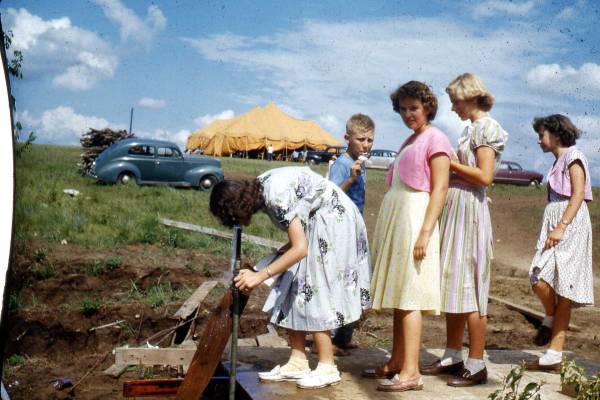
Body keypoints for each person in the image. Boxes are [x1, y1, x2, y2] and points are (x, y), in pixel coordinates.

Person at [209, 167, 371, 390]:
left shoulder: (274, 195)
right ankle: (298, 361)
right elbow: (297, 238)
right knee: (292, 282)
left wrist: (259, 276)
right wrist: (266, 265)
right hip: (317, 221)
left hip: (335, 218)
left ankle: (327, 366)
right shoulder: (260, 188)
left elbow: (300, 248)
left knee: (314, 287)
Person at [362, 81, 451, 392]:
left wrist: (425, 233)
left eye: (413, 107)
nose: (408, 114)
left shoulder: (436, 139)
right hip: (398, 218)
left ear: (427, 106)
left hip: (416, 218)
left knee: (411, 292)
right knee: (401, 293)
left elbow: (440, 188)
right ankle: (398, 361)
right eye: (402, 109)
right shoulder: (410, 139)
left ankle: (412, 371)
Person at [420, 73, 508, 387]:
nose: (454, 107)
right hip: (457, 209)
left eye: (456, 101)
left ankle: (476, 362)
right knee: (454, 284)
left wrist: (449, 163)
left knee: (470, 286)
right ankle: (453, 353)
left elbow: (485, 176)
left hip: (470, 210)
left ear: (470, 96)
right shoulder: (470, 129)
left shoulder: (487, 127)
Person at [523, 115, 594, 372]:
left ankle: (554, 353)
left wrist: (562, 226)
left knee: (563, 286)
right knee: (538, 276)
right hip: (556, 221)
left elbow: (577, 194)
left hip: (570, 223)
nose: (539, 139)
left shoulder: (574, 157)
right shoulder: (558, 161)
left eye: (541, 134)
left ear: (556, 134)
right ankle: (550, 318)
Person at [327, 113, 375, 353]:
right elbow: (331, 194)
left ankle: (343, 337)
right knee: (340, 281)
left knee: (353, 281)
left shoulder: (360, 163)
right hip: (340, 230)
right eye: (361, 140)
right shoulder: (342, 164)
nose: (366, 145)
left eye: (369, 140)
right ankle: (328, 340)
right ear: (348, 138)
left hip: (355, 228)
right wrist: (351, 179)